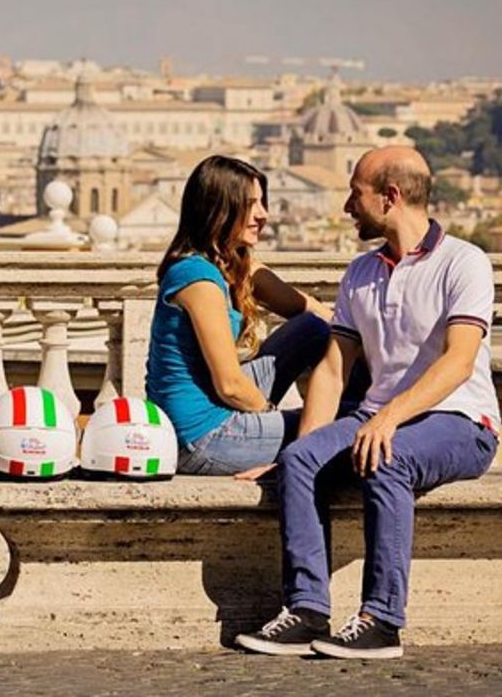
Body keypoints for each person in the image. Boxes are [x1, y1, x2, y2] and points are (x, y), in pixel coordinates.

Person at [236, 147, 498, 659]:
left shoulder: (463, 262)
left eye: (355, 194)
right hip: (379, 416)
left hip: (462, 421)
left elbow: (459, 362)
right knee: (299, 459)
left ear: (390, 196)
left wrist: (388, 419)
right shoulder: (360, 272)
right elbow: (333, 371)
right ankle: (307, 610)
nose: (346, 207)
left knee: (387, 457)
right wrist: (305, 452)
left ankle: (382, 620)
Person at [147, 155, 335, 476]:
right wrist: (269, 416)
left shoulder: (228, 264)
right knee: (343, 423)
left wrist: (361, 335)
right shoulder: (197, 278)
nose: (263, 214)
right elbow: (230, 385)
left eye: (262, 202)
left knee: (314, 328)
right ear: (218, 209)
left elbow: (311, 313)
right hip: (201, 437)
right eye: (250, 204)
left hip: (217, 407)